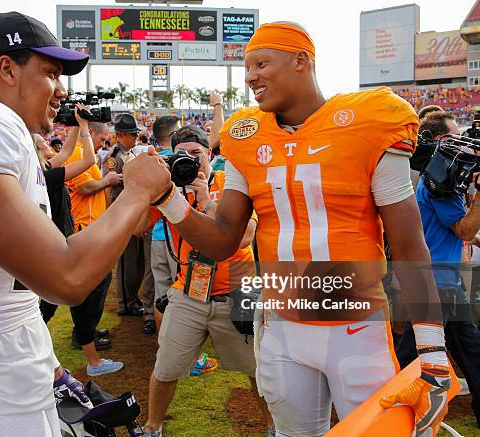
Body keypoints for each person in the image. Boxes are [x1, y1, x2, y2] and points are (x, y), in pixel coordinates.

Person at [152, 22, 449, 437]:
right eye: (247, 66)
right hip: (282, 328)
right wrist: (167, 197)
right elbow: (222, 239)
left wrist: (432, 347)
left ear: (301, 60)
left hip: (355, 326)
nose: (250, 75)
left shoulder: (370, 122)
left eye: (261, 63)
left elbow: (408, 245)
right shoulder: (246, 138)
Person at [0, 12, 170, 436]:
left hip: (5, 378)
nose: (61, 91)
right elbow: (66, 277)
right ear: (7, 68)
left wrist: (51, 369)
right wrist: (136, 190)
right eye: (50, 74)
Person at [139, 125, 273, 436]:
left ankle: (273, 428)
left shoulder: (231, 182)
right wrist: (144, 184)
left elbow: (245, 238)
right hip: (189, 293)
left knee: (259, 371)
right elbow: (136, 228)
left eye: (196, 154)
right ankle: (152, 427)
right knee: (165, 367)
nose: (191, 161)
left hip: (238, 294)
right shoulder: (168, 189)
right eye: (181, 155)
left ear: (209, 154)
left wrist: (207, 201)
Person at [397, 110, 480, 428]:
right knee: (414, 358)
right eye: (454, 135)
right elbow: (463, 229)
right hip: (436, 282)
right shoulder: (437, 181)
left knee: (468, 350)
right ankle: (392, 416)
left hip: (438, 281)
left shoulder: (439, 177)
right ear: (437, 141)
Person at [66, 120, 127, 375]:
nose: (104, 145)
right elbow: (85, 187)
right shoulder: (78, 153)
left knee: (96, 287)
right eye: (102, 140)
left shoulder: (83, 153)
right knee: (91, 289)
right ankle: (83, 337)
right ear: (90, 133)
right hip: (84, 229)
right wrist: (109, 180)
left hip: (91, 228)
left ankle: (85, 332)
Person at [103, 113, 147, 317]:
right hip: (122, 212)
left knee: (136, 260)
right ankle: (125, 303)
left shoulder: (130, 153)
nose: (136, 137)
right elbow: (109, 188)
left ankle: (132, 299)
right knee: (127, 260)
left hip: (133, 211)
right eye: (132, 134)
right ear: (121, 135)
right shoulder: (114, 158)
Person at [150, 115, 180, 332]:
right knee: (183, 295)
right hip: (178, 237)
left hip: (157, 235)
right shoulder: (181, 160)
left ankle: (164, 346)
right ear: (173, 134)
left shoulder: (150, 162)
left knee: (161, 294)